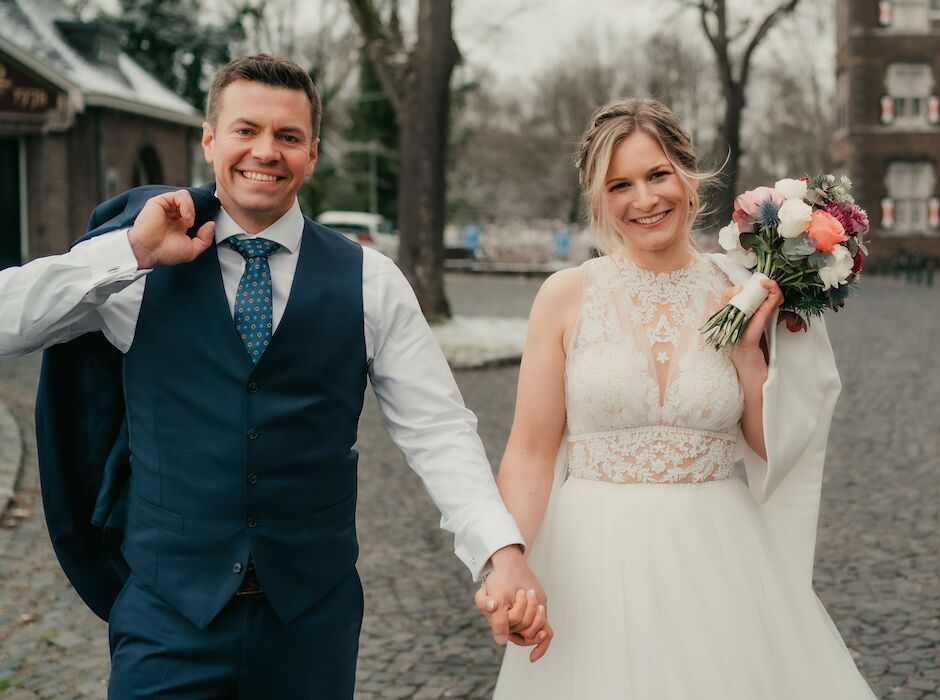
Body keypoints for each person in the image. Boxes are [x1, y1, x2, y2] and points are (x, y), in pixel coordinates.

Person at [0, 54, 547, 696]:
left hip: (310, 622)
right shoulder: (137, 270)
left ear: (312, 154)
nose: (266, 151)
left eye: (288, 136)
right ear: (210, 140)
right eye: (245, 130)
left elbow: (438, 429)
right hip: (166, 620)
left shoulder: (371, 282)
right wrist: (132, 252)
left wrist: (499, 553)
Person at [484, 98, 875, 698]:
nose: (644, 200)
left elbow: (775, 446)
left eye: (657, 174)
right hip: (592, 561)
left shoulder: (745, 288)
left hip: (720, 558)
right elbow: (532, 452)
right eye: (621, 185)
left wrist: (745, 350)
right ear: (600, 199)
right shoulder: (564, 296)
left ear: (689, 176)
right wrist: (508, 562)